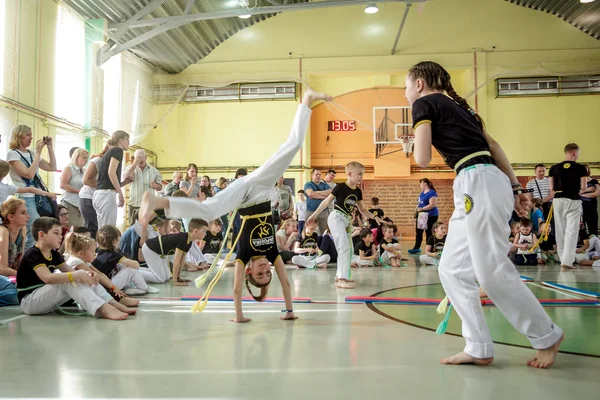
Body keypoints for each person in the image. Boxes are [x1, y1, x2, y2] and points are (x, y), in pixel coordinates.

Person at [406, 60, 563, 368]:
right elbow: (494, 145)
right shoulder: (464, 110)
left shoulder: (424, 103)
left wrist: (410, 145)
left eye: (406, 87)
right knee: (451, 269)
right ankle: (478, 346)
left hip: (477, 181)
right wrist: (517, 188)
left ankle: (546, 335)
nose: (406, 93)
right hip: (479, 182)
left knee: (490, 271)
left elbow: (422, 159)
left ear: (419, 85)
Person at [139, 89, 332, 322]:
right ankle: (308, 100)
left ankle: (159, 201)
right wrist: (289, 311)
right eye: (266, 273)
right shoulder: (272, 253)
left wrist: (239, 316)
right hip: (260, 190)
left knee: (208, 210)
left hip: (242, 194)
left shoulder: (243, 255)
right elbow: (287, 283)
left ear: (250, 271)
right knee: (293, 146)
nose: (264, 270)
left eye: (259, 274)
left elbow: (237, 290)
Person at [16, 217, 134, 320]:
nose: (60, 237)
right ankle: (102, 308)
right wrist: (78, 274)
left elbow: (71, 272)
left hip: (46, 301)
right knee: (69, 279)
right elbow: (48, 278)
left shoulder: (54, 254)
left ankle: (111, 303)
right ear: (41, 235)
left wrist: (88, 276)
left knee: (79, 277)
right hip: (29, 302)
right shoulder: (33, 254)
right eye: (56, 233)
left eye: (61, 233)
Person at [306, 161, 382, 288]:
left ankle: (341, 275)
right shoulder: (340, 187)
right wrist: (313, 215)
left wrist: (375, 217)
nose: (361, 177)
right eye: (359, 174)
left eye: (362, 174)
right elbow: (326, 202)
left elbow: (363, 210)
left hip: (346, 220)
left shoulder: (358, 192)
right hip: (336, 217)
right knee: (344, 247)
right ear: (349, 173)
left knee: (350, 249)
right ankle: (341, 278)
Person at [6, 125, 57, 248]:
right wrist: (38, 153)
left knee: (39, 230)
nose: (31, 137)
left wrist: (50, 148)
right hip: (26, 197)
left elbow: (52, 167)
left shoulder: (32, 153)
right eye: (28, 134)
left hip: (38, 196)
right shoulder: (13, 154)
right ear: (19, 136)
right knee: (34, 231)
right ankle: (27, 260)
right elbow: (29, 174)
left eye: (31, 134)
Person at [549, 144, 587, 269]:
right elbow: (584, 188)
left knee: (560, 230)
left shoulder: (554, 168)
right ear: (574, 153)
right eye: (578, 154)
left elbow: (551, 189)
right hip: (574, 200)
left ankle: (561, 258)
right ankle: (567, 261)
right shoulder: (581, 168)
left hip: (558, 200)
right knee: (572, 231)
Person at [92, 130, 130, 228]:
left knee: (102, 229)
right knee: (108, 229)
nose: (128, 143)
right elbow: (111, 172)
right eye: (127, 140)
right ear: (121, 140)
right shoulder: (118, 151)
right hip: (106, 195)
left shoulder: (109, 152)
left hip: (99, 194)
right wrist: (121, 194)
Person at [0, 198, 28, 306]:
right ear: (11, 217)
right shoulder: (3, 231)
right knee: (19, 294)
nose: (27, 216)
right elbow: (2, 269)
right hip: (2, 275)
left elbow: (20, 260)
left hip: (8, 276)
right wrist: (23, 275)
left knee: (26, 290)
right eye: (23, 213)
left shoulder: (23, 229)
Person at [126, 149, 162, 225]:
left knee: (149, 230)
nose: (139, 159)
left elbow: (160, 187)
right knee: (133, 229)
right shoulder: (130, 169)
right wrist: (135, 164)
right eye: (137, 157)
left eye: (141, 157)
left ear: (145, 157)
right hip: (134, 205)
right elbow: (125, 177)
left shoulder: (154, 171)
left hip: (149, 206)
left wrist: (155, 185)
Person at [59, 147, 88, 228]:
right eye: (84, 157)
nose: (86, 160)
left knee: (80, 229)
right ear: (77, 157)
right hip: (69, 202)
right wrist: (79, 191)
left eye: (87, 158)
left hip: (80, 205)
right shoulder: (69, 168)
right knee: (68, 228)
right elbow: (63, 185)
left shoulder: (85, 171)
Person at [408, 178, 438, 254]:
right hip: (422, 215)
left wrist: (422, 208)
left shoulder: (432, 192)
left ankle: (430, 249)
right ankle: (416, 248)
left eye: (421, 183)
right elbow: (419, 202)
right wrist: (416, 210)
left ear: (425, 183)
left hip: (431, 215)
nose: (420, 185)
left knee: (429, 232)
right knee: (419, 232)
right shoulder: (422, 193)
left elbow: (432, 204)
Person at [304, 169, 332, 235]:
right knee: (309, 232)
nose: (318, 176)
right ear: (312, 175)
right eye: (316, 174)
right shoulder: (308, 184)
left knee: (324, 232)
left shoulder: (325, 185)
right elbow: (310, 194)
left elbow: (330, 193)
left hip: (323, 212)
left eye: (319, 174)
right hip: (311, 212)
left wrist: (316, 192)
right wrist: (324, 197)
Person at [581, 165, 599, 236]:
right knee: (582, 229)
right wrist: (590, 189)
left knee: (593, 228)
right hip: (580, 208)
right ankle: (583, 244)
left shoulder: (594, 181)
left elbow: (597, 193)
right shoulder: (577, 182)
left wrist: (582, 193)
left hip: (591, 208)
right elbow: (576, 193)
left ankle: (594, 244)